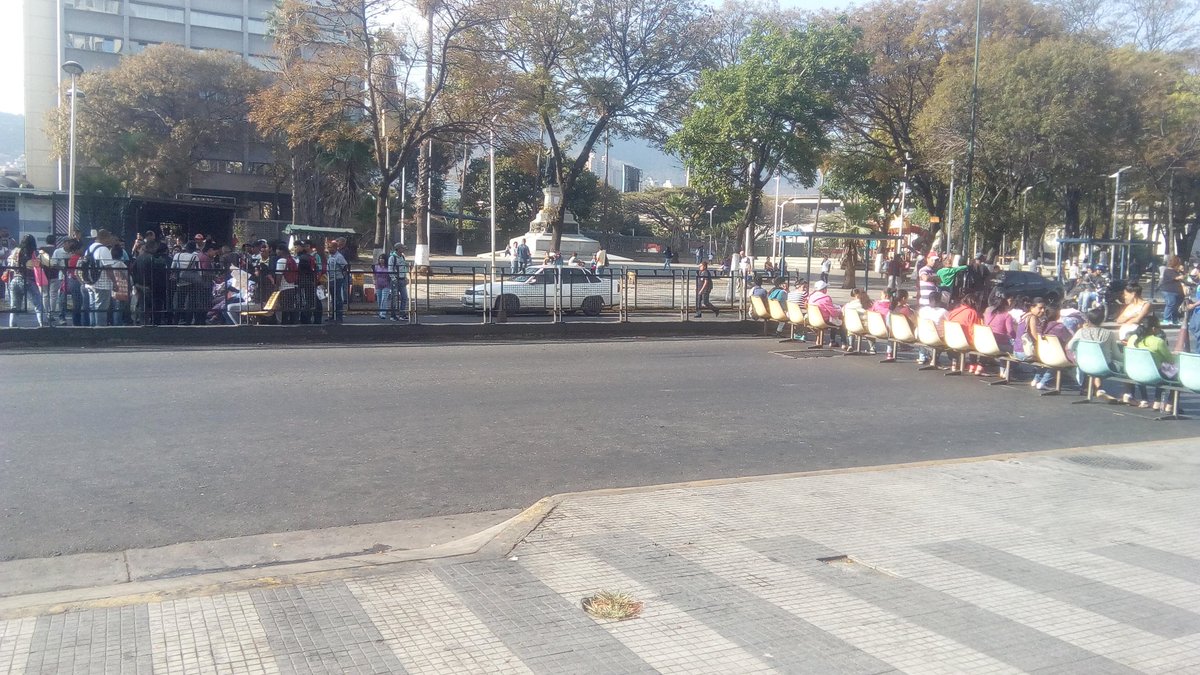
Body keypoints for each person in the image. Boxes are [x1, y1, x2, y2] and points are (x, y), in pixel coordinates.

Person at [1121, 313, 1176, 411]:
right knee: (1173, 371)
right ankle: (1168, 404)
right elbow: (1170, 360)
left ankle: (1157, 402)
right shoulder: (1158, 341)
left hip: (1134, 372)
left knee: (1165, 370)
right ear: (1154, 328)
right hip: (1153, 374)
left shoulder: (1133, 338)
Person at [1067, 307, 1121, 399]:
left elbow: (1070, 346)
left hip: (1083, 364)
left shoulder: (1081, 332)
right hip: (1102, 366)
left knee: (1092, 369)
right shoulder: (1109, 334)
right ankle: (1098, 388)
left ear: (1088, 320)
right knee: (1113, 366)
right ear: (1102, 320)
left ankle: (1091, 388)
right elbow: (1117, 355)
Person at [5, 234, 48, 327]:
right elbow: (44, 263)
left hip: (15, 279)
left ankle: (12, 326)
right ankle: (42, 324)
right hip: (28, 280)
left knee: (15, 306)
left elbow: (9, 263)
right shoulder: (34, 252)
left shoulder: (15, 251)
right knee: (38, 303)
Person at [326, 240, 349, 323]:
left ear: (335, 248)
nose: (329, 249)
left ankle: (339, 317)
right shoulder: (330, 256)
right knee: (333, 298)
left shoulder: (339, 256)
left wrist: (342, 276)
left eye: (330, 247)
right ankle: (333, 315)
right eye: (328, 247)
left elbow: (345, 266)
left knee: (337, 298)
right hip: (330, 278)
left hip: (337, 278)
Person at [1160, 255, 1186, 326]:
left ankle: (1175, 319)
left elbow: (1184, 278)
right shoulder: (1168, 270)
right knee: (1171, 304)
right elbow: (1175, 278)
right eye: (1179, 263)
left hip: (1177, 291)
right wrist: (1180, 276)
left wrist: (1182, 272)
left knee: (1176, 305)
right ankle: (1166, 319)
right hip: (1169, 290)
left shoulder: (1177, 271)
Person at [388, 243, 409, 322]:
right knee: (394, 298)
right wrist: (393, 279)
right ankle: (393, 315)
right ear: (398, 249)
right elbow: (390, 269)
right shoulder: (392, 258)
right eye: (402, 248)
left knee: (404, 297)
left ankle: (402, 313)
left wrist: (406, 277)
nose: (403, 250)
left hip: (402, 279)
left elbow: (403, 268)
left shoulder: (402, 257)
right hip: (395, 280)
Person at [373, 254, 392, 320]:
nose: (381, 260)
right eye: (380, 258)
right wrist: (374, 281)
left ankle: (382, 313)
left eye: (383, 259)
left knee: (384, 299)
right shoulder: (376, 266)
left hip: (386, 284)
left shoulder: (388, 267)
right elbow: (374, 274)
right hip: (378, 284)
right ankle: (381, 310)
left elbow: (391, 274)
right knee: (379, 299)